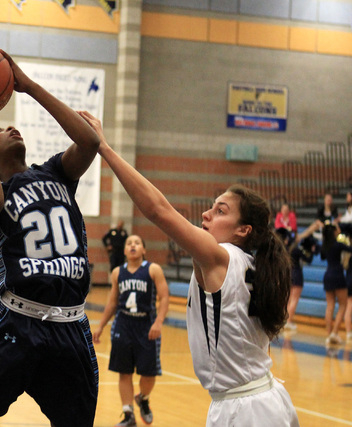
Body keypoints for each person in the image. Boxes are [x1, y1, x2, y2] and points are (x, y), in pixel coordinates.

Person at [79, 111, 299, 427]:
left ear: (243, 230)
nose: (207, 215)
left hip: (247, 410)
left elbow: (158, 210)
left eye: (220, 211)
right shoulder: (250, 263)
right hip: (260, 399)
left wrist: (104, 148)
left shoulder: (223, 257)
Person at [0, 48, 100, 427]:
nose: (10, 128)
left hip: (71, 326)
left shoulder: (55, 173)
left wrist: (28, 86)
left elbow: (91, 141)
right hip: (14, 323)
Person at [93, 234, 169, 426]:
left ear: (144, 249)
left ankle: (143, 398)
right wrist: (101, 326)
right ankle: (128, 414)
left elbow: (164, 298)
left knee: (149, 373)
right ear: (125, 250)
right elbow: (112, 302)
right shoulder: (118, 272)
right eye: (129, 243)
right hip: (123, 324)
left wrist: (159, 322)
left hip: (146, 324)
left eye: (137, 243)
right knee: (124, 371)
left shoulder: (153, 269)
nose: (133, 245)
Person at [276, 221, 322, 331]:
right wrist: (311, 251)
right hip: (297, 275)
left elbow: (301, 236)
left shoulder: (286, 249)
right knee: (294, 299)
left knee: (289, 299)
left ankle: (285, 320)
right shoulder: (297, 250)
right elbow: (309, 259)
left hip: (289, 275)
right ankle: (289, 321)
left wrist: (312, 227)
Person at [320, 224, 350, 345]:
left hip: (327, 276)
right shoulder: (338, 245)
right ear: (333, 232)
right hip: (338, 275)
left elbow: (322, 256)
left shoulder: (325, 246)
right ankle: (334, 333)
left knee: (330, 305)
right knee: (343, 305)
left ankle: (329, 334)